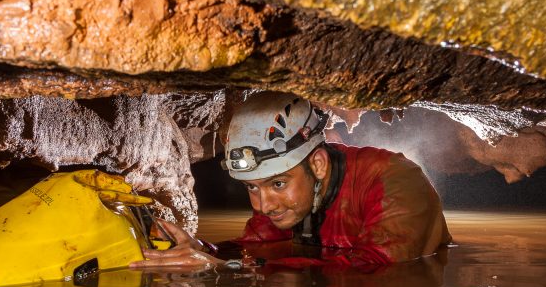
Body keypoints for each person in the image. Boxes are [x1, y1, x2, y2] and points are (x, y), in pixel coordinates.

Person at [130, 92, 451, 270]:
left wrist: (220, 268)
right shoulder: (289, 196)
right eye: (251, 187)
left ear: (318, 164)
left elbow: (379, 269)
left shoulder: (395, 180)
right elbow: (257, 248)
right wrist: (204, 248)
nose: (263, 205)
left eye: (277, 184)